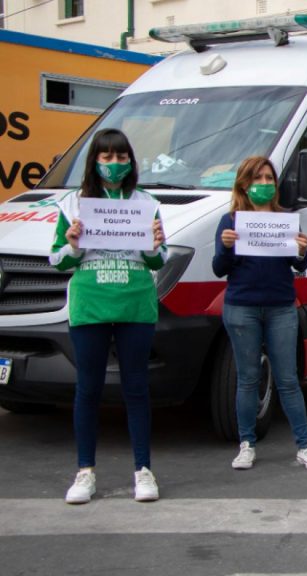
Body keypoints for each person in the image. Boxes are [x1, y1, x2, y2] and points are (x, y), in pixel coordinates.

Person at [51, 128, 167, 504]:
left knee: (136, 388)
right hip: (90, 305)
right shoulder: (73, 203)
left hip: (135, 304)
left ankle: (143, 471)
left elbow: (157, 260)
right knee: (89, 389)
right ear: (94, 161)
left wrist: (155, 245)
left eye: (121, 157)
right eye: (106, 157)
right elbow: (56, 260)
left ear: (131, 161)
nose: (114, 164)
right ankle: (85, 472)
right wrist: (71, 244)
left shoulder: (146, 202)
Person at [212, 156, 307, 472]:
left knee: (288, 379)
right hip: (242, 307)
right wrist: (226, 247)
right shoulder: (230, 221)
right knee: (248, 378)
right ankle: (246, 444)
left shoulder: (285, 219)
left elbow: (300, 265)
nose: (264, 184)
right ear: (244, 184)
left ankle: (304, 446)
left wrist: (302, 250)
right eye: (257, 178)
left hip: (281, 307)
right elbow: (219, 268)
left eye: (268, 179)